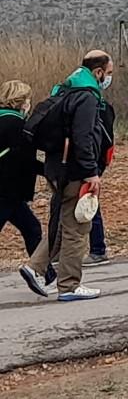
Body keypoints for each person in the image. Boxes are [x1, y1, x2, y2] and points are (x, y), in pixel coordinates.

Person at [19, 51, 113, 301]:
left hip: (55, 166)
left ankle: (36, 267)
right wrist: (91, 172)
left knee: (63, 222)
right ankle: (69, 285)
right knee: (77, 228)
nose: (109, 78)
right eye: (108, 73)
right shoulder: (87, 97)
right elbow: (84, 137)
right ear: (98, 72)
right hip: (74, 171)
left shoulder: (63, 91)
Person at [0, 81, 55, 287]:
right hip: (8, 189)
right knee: (31, 229)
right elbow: (24, 160)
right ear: (22, 101)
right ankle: (45, 275)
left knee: (31, 228)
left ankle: (46, 275)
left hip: (9, 192)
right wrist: (50, 171)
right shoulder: (17, 125)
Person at [84, 100, 116, 267]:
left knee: (90, 204)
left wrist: (93, 168)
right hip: (95, 161)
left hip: (90, 163)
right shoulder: (102, 105)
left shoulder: (91, 105)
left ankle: (98, 249)